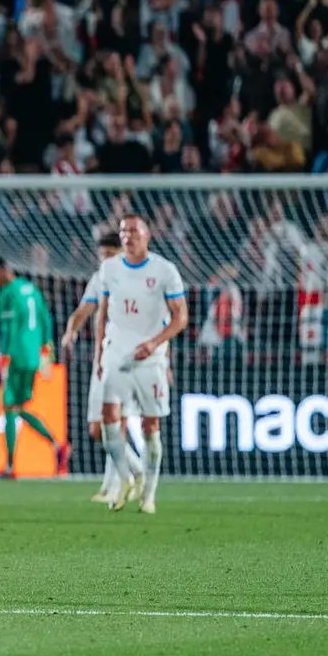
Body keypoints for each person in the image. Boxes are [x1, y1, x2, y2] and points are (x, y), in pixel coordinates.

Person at [97, 215, 190, 514]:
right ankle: (126, 479)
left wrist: (155, 342)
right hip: (117, 353)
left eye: (134, 231)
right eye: (123, 232)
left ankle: (149, 494)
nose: (128, 237)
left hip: (150, 357)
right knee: (108, 417)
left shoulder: (164, 270)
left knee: (151, 426)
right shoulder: (109, 269)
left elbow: (181, 317)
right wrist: (100, 352)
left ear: (147, 235)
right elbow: (102, 313)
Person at [61, 233, 144, 504]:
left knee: (113, 423)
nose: (106, 261)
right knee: (98, 430)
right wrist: (71, 331)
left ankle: (117, 484)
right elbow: (84, 309)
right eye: (102, 257)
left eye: (111, 255)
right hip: (105, 357)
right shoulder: (100, 279)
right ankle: (134, 470)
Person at [0, 257, 68, 479]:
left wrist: (2, 362)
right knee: (19, 408)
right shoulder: (31, 288)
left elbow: (8, 330)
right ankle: (58, 447)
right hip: (34, 356)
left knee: (9, 407)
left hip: (16, 354)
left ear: (1, 271)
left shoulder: (7, 293)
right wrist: (47, 350)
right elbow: (46, 319)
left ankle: (10, 466)